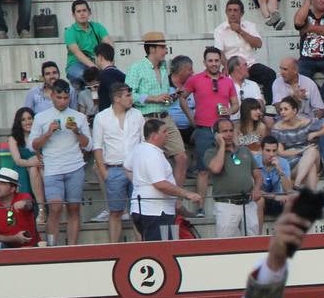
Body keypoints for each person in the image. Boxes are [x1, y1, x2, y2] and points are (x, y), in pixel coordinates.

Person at [125, 32, 189, 187]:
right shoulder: (136, 67)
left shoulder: (164, 67)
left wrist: (173, 96)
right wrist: (153, 98)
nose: (166, 50)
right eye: (162, 47)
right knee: (151, 160)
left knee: (182, 158)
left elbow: (164, 100)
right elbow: (129, 95)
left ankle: (177, 197)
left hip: (165, 117)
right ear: (152, 49)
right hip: (146, 119)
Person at [31, 79, 89, 248]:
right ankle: (51, 248)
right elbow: (33, 145)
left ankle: (72, 248)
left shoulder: (79, 117)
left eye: (66, 98)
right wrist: (48, 133)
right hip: (53, 168)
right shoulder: (41, 117)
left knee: (74, 209)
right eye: (59, 97)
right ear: (52, 96)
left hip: (75, 166)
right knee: (55, 208)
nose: (63, 101)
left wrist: (77, 131)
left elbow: (88, 145)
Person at [125, 118, 202, 241]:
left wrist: (141, 183)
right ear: (154, 136)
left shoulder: (139, 149)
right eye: (164, 131)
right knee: (159, 248)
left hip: (145, 210)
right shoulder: (152, 154)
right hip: (155, 212)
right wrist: (187, 194)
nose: (168, 134)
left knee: (156, 246)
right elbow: (160, 184)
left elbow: (127, 167)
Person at [185, 47, 242, 210]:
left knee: (230, 166)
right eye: (210, 61)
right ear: (204, 62)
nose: (214, 63)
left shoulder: (228, 81)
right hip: (203, 129)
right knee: (203, 170)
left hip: (225, 130)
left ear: (221, 62)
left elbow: (236, 104)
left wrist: (229, 111)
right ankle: (201, 208)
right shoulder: (195, 79)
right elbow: (181, 98)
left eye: (217, 60)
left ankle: (235, 203)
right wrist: (191, 118)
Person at [91, 82, 145, 244]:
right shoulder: (101, 117)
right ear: (117, 98)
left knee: (138, 212)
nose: (131, 98)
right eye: (128, 95)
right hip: (113, 169)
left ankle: (142, 247)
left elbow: (144, 141)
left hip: (135, 170)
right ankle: (114, 249)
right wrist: (104, 172)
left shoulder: (137, 115)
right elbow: (97, 146)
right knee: (115, 212)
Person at [204, 117, 262, 238]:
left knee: (253, 240)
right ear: (217, 134)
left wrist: (257, 188)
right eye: (224, 131)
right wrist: (222, 145)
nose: (229, 134)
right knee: (226, 242)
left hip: (248, 203)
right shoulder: (210, 152)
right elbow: (216, 168)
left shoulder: (245, 151)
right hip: (226, 204)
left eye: (231, 130)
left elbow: (257, 175)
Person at [274, 57, 324, 171]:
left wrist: (314, 120)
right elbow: (278, 109)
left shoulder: (308, 83)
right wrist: (294, 97)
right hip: (285, 119)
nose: (281, 72)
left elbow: (320, 108)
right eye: (281, 69)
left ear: (295, 70)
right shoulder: (277, 83)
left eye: (285, 69)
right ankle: (289, 160)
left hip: (306, 119)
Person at [215, 0, 279, 103]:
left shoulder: (250, 26)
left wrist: (240, 31)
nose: (232, 13)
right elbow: (219, 51)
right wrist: (227, 66)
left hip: (250, 65)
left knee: (269, 74)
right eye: (229, 10)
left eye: (235, 10)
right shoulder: (219, 30)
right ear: (226, 12)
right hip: (233, 67)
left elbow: (258, 44)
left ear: (242, 13)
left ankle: (269, 106)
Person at [272, 95, 324, 188]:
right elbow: (281, 152)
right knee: (311, 166)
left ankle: (297, 184)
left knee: (312, 151)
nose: (282, 112)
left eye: (285, 109)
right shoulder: (278, 128)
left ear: (294, 110)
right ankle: (308, 192)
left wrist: (316, 133)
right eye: (281, 109)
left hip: (311, 156)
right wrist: (301, 151)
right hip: (292, 163)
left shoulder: (306, 122)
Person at [0, 166, 39, 248]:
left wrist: (24, 203)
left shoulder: (23, 197)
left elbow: (29, 204)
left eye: (2, 183)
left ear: (12, 189)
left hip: (30, 247)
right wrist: (15, 238)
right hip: (5, 250)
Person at [7, 107, 45, 224]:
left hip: (41, 167)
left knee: (35, 168)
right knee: (33, 166)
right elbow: (17, 160)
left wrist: (36, 161)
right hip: (22, 168)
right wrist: (32, 162)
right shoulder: (13, 138)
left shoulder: (41, 135)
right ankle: (43, 208)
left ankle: (43, 209)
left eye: (30, 118)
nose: (27, 122)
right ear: (19, 122)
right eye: (23, 120)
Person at [63, 0, 113, 87]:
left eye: (84, 10)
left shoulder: (98, 27)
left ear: (89, 12)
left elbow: (109, 45)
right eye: (78, 11)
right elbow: (78, 54)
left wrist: (108, 63)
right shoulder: (69, 32)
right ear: (73, 15)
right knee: (90, 77)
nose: (82, 14)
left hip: (96, 62)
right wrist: (95, 68)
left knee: (113, 76)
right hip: (76, 64)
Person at [256, 135, 294, 224]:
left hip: (278, 199)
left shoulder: (283, 162)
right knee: (259, 201)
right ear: (261, 150)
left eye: (274, 151)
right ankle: (258, 233)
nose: (271, 154)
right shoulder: (254, 162)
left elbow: (288, 189)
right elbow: (254, 190)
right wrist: (275, 197)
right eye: (268, 150)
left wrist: (279, 170)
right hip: (261, 198)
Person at [94, 43, 127, 115]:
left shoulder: (104, 75)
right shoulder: (122, 74)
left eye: (95, 57)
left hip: (109, 116)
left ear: (100, 57)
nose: (95, 60)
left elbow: (116, 93)